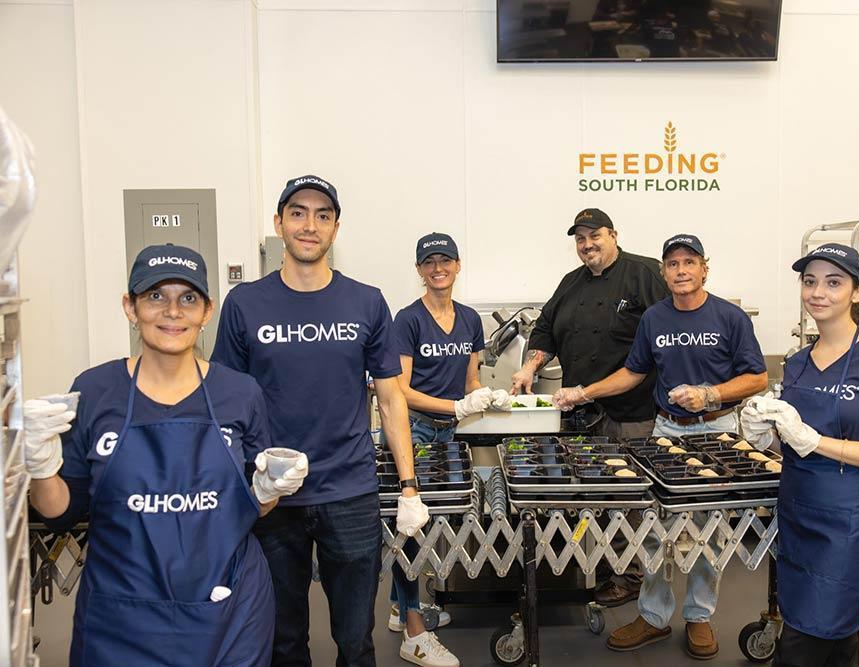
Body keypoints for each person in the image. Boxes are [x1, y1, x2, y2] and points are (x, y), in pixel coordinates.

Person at [24, 244, 308, 666]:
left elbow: (253, 510)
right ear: (130, 306)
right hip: (120, 619)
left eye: (188, 298)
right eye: (156, 296)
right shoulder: (96, 391)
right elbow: (60, 513)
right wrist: (41, 466)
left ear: (207, 311)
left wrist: (269, 490)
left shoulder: (239, 393)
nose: (172, 311)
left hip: (227, 614)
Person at [211, 175, 430, 667]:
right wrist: (240, 483)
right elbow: (227, 406)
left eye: (322, 215)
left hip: (349, 491)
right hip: (272, 498)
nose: (310, 225)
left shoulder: (366, 301)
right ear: (279, 224)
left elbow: (391, 399)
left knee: (356, 641)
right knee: (282, 640)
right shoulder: (244, 304)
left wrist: (409, 486)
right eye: (298, 213)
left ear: (335, 228)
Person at [554, 233, 767, 660]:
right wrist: (584, 392)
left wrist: (710, 394)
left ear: (704, 268)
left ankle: (699, 616)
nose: (681, 270)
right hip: (667, 430)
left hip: (716, 431)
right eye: (672, 264)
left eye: (689, 262)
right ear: (664, 272)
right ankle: (653, 616)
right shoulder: (654, 318)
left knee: (711, 529)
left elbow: (757, 377)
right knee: (654, 528)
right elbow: (633, 371)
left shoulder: (729, 317)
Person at [740, 244, 859, 666]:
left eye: (834, 282)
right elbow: (793, 445)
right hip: (798, 513)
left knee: (805, 641)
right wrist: (764, 436)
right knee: (832, 640)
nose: (818, 292)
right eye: (810, 281)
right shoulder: (798, 363)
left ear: (858, 292)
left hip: (848, 523)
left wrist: (814, 441)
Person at [511, 207, 668, 606]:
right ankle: (601, 568)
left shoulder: (645, 274)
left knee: (629, 499)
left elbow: (670, 326)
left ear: (613, 235)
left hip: (630, 411)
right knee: (594, 494)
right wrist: (529, 367)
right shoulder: (571, 283)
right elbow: (545, 331)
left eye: (595, 236)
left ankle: (632, 577)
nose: (587, 245)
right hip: (581, 413)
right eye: (580, 239)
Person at [388, 232, 511, 667]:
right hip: (416, 432)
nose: (438, 268)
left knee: (432, 523)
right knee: (410, 525)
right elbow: (401, 390)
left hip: (451, 434)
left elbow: (470, 379)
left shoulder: (470, 319)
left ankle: (400, 606)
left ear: (458, 265)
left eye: (445, 260)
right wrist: (455, 406)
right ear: (419, 270)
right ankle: (414, 630)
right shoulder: (407, 320)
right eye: (429, 262)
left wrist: (484, 397)